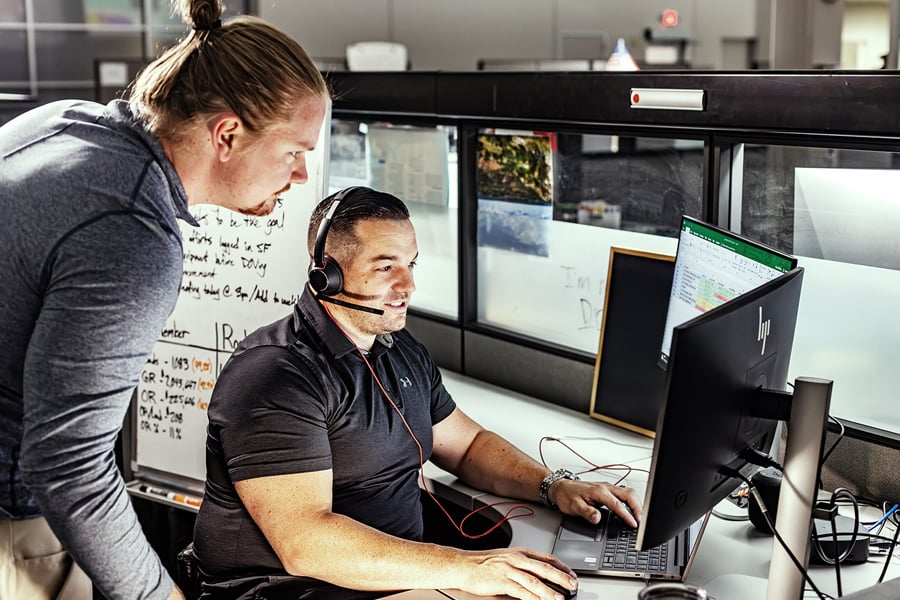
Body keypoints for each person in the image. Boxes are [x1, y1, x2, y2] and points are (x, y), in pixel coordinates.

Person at [0, 0, 328, 597]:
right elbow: (68, 468)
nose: (302, 175)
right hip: (11, 528)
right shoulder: (131, 231)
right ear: (227, 133)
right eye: (293, 152)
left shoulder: (60, 123)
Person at [192, 186, 643, 600]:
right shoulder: (274, 376)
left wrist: (554, 486)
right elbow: (306, 544)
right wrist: (468, 567)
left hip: (395, 578)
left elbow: (467, 448)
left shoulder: (395, 345)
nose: (408, 286)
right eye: (385, 266)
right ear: (326, 276)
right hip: (300, 590)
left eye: (411, 265)